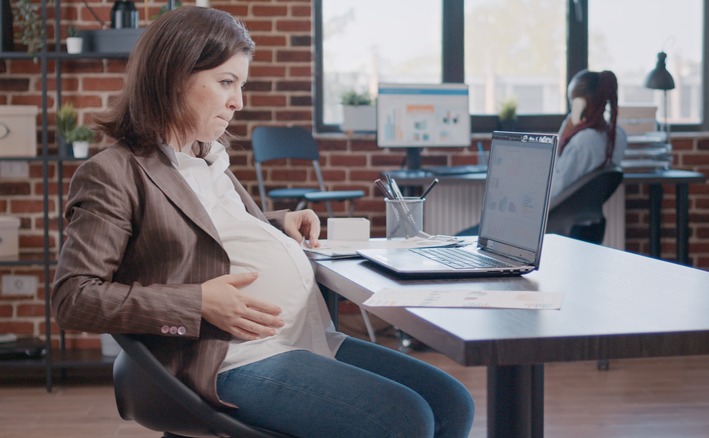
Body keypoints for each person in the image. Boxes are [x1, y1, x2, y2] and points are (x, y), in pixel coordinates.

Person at [51, 6, 474, 437]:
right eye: (226, 82)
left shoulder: (208, 157)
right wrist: (197, 303)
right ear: (173, 76)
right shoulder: (114, 172)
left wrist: (275, 224)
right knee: (404, 418)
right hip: (229, 358)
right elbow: (74, 297)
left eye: (241, 84)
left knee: (451, 403)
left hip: (306, 339)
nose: (238, 101)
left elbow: (206, 230)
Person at [551, 69, 628, 199]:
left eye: (572, 101)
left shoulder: (584, 141)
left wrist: (563, 136)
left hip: (563, 213)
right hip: (584, 213)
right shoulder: (619, 135)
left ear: (580, 104)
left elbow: (555, 189)